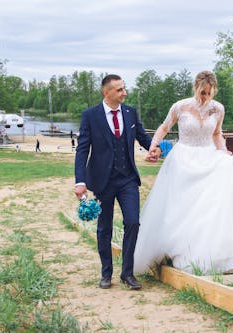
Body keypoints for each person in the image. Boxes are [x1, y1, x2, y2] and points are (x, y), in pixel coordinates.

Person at [134, 70, 233, 275]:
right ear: (195, 88)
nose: (204, 97)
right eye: (202, 92)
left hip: (207, 156)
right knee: (180, 207)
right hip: (183, 159)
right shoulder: (180, 106)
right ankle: (176, 250)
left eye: (208, 93)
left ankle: (208, 253)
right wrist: (153, 146)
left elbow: (217, 134)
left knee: (208, 203)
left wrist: (224, 151)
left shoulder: (218, 109)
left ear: (214, 91)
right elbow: (164, 127)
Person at [74, 74, 161, 290]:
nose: (124, 93)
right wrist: (80, 181)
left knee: (133, 222)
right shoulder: (90, 116)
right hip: (102, 181)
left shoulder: (130, 112)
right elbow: (83, 149)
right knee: (104, 228)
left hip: (128, 179)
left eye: (124, 88)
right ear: (107, 92)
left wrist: (154, 148)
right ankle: (106, 273)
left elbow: (142, 136)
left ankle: (127, 273)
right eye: (119, 90)